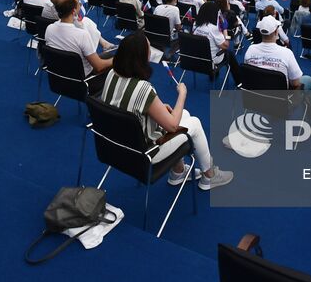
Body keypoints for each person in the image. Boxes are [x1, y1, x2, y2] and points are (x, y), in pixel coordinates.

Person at [99, 32, 233, 191]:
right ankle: (209, 176)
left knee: (184, 115)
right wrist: (182, 95)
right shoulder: (143, 89)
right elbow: (172, 127)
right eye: (149, 49)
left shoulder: (111, 75)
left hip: (118, 145)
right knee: (194, 123)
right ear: (142, 57)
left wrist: (160, 109)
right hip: (146, 151)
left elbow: (125, 104)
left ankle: (178, 172)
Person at [244, 16, 311, 124]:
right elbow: (296, 83)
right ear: (276, 32)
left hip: (256, 99)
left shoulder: (250, 50)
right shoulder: (286, 53)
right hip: (281, 101)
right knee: (308, 81)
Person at [44, 0, 114, 89]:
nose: (81, 5)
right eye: (78, 4)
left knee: (109, 55)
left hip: (58, 79)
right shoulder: (82, 35)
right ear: (74, 11)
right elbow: (99, 67)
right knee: (116, 61)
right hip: (83, 82)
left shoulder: (49, 29)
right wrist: (117, 60)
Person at [190, 2, 242, 85]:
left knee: (211, 46)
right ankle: (239, 81)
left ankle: (213, 75)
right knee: (230, 54)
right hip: (211, 60)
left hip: (197, 58)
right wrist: (225, 30)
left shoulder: (196, 25)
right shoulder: (213, 28)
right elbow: (226, 46)